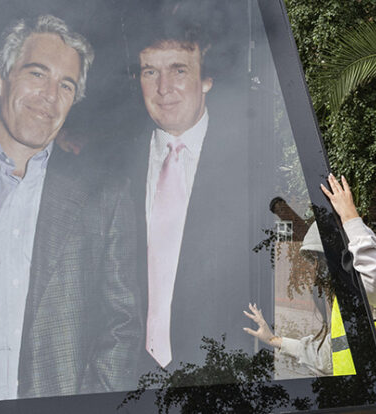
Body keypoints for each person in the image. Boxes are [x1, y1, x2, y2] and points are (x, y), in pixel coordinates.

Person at [0, 15, 141, 403]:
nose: (50, 95)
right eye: (37, 74)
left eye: (66, 85)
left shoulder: (105, 196)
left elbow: (123, 326)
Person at [127, 15, 268, 378]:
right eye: (150, 72)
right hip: (126, 377)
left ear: (207, 78)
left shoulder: (252, 163)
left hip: (214, 379)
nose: (163, 88)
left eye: (178, 70)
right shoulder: (114, 166)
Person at [244, 174, 376, 412]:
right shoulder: (343, 309)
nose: (316, 269)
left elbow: (374, 272)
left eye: (319, 260)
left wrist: (351, 218)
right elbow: (325, 358)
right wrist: (274, 340)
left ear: (337, 259)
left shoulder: (371, 297)